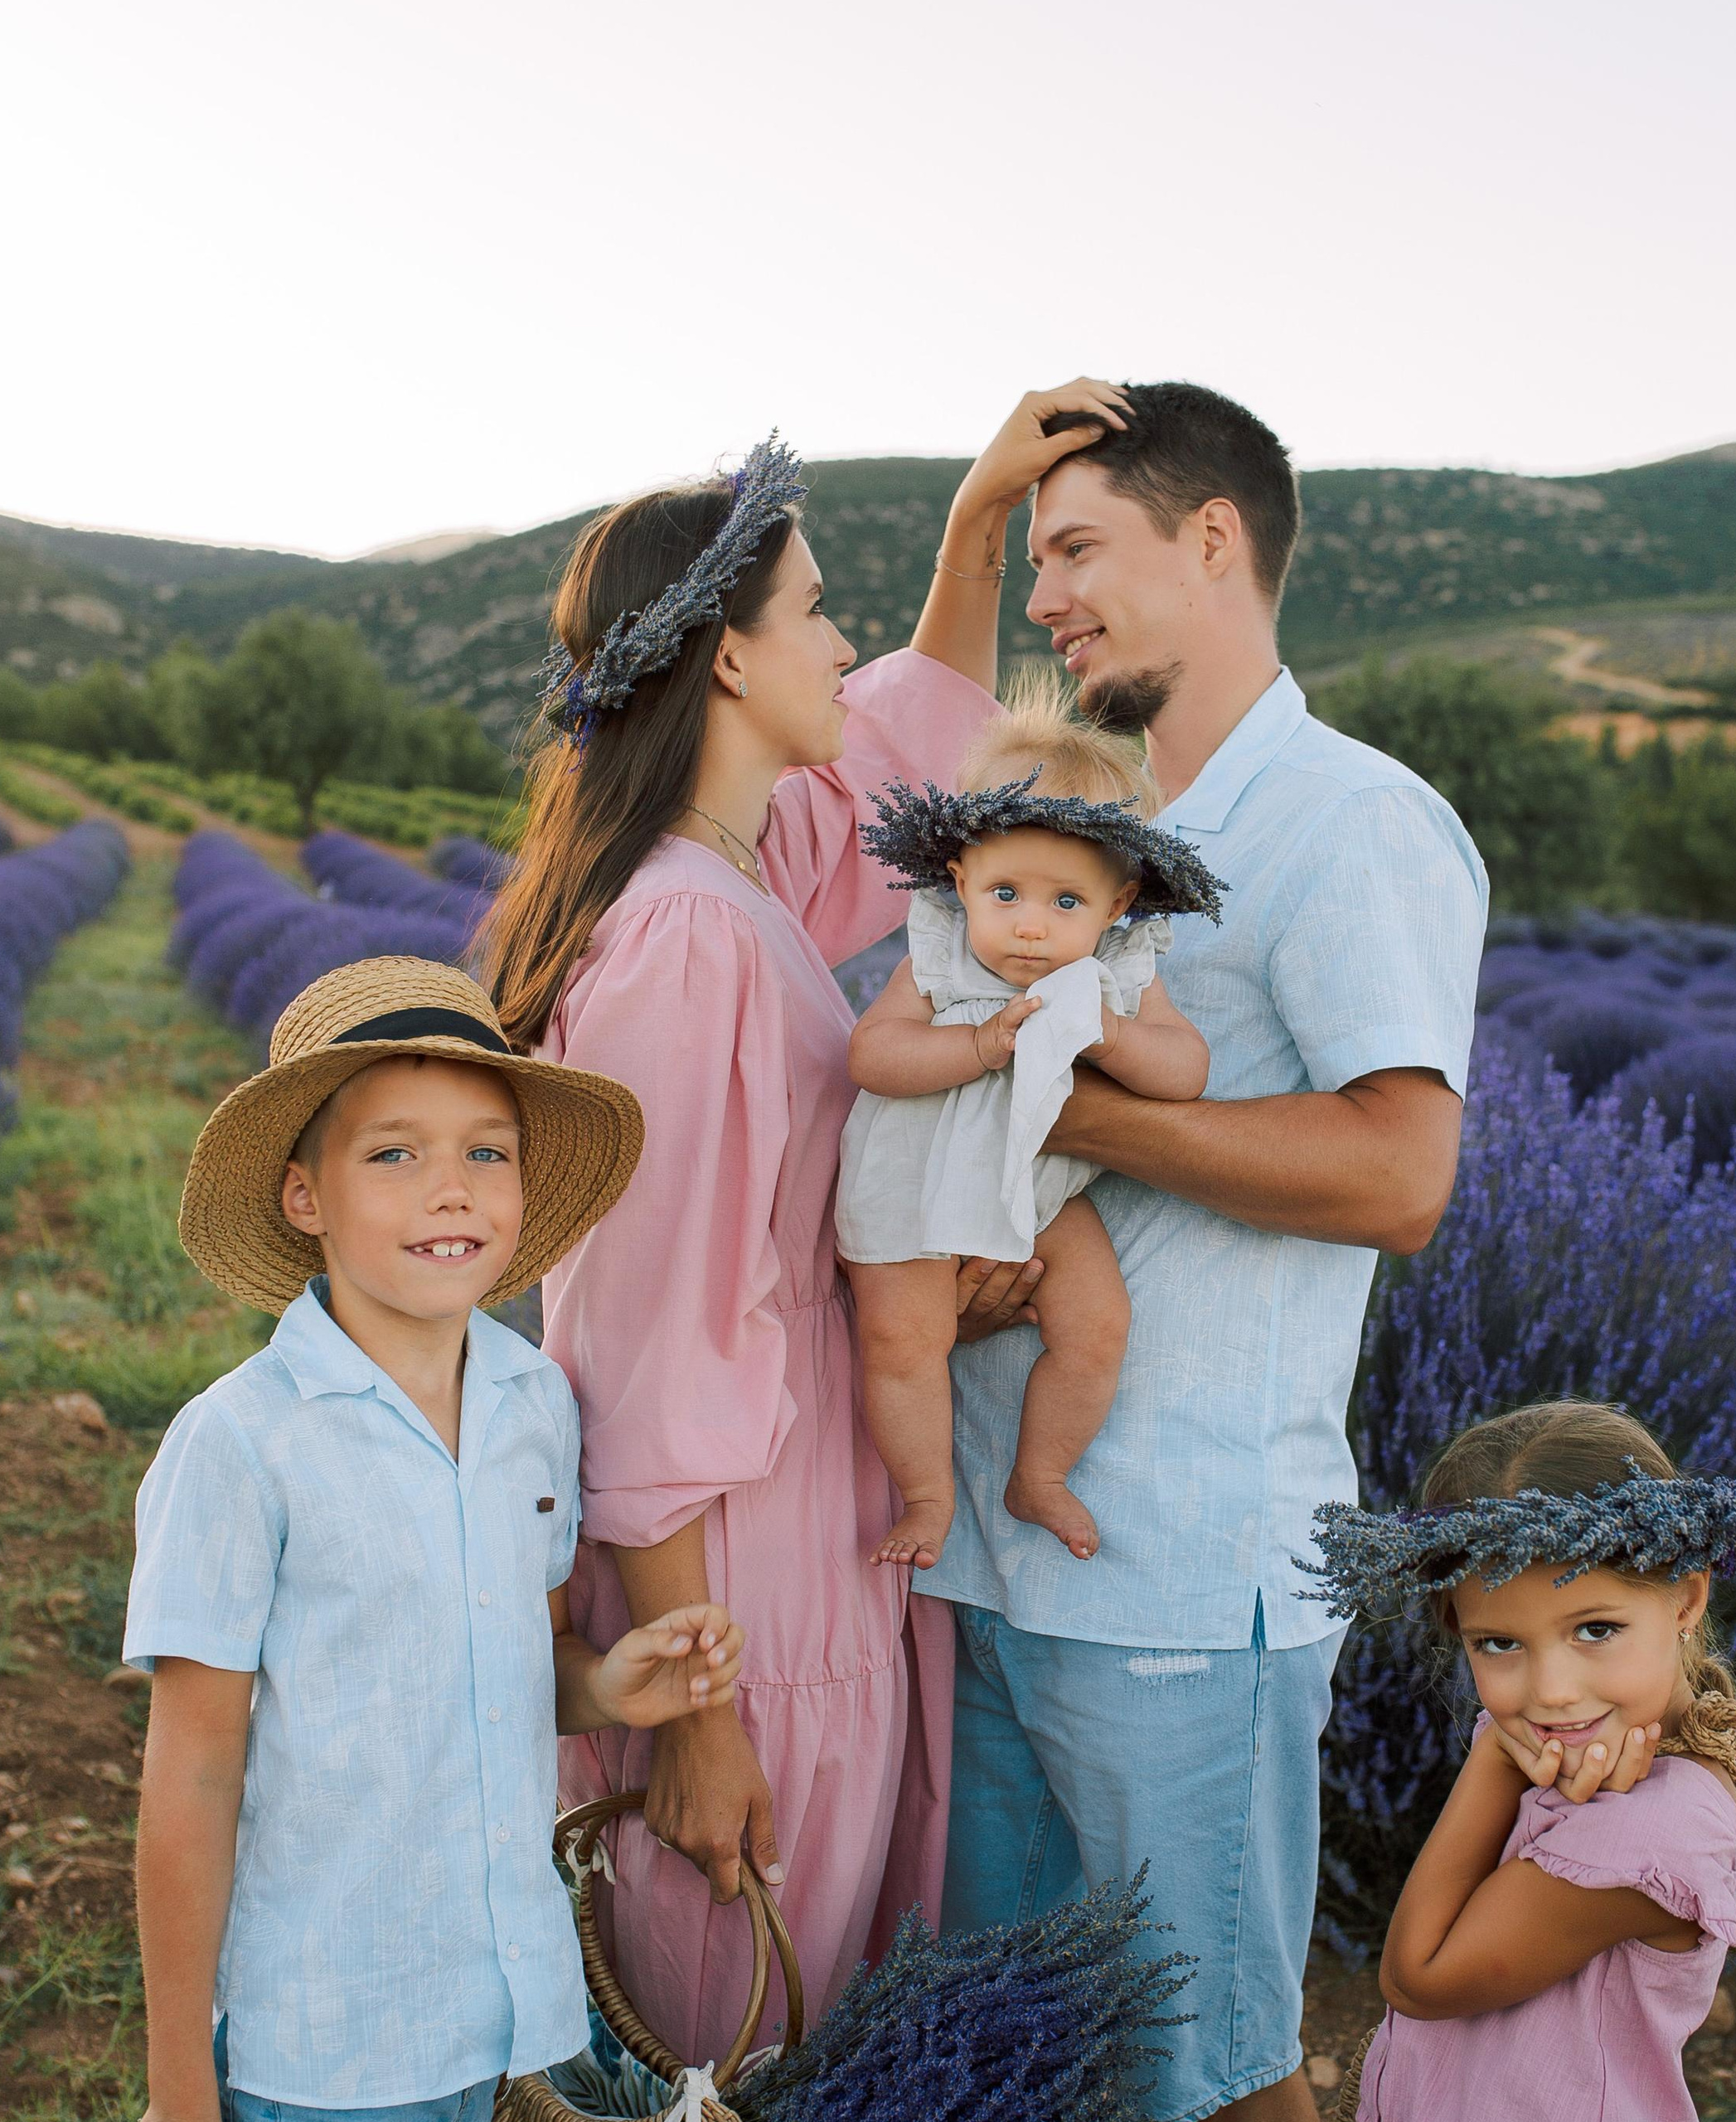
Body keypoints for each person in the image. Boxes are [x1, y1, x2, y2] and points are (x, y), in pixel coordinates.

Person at [475, 385, 1132, 2066]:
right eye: (814, 611)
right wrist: (696, 1713)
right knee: (731, 2028)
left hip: (801, 1538)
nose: (841, 646)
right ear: (725, 661)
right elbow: (639, 1336)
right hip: (739, 1586)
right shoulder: (690, 939)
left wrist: (977, 522)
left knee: (794, 2012)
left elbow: (914, 735)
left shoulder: (743, 871)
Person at [925, 380, 1491, 2122]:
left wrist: (1077, 1124)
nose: (1048, 598)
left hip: (1176, 1574)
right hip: (984, 1548)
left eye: (1077, 547)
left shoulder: (1349, 821)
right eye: (1033, 561)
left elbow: (1401, 1170)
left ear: (1215, 540)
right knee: (1010, 2050)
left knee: (1208, 2067)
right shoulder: (1071, 823)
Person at [129, 958, 746, 2122]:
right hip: (325, 2038)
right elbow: (193, 1771)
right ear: (304, 1197)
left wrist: (613, 1686)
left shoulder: (535, 1405)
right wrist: (175, 2089)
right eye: (394, 1154)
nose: (452, 1189)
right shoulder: (243, 1445)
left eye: (487, 1151)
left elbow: (524, 1656)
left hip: (495, 2009)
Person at [1302, 1399, 1736, 2122]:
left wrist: (1492, 1758)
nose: (1552, 1692)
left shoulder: (1651, 1827)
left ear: (1685, 1598)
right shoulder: (1595, 1757)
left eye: (1595, 1629)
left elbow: (1417, 1979)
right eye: (1498, 1643)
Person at [837, 686, 1217, 1566]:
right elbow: (873, 1054)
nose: (1032, 929)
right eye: (1005, 891)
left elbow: (1186, 1070)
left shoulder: (1119, 967)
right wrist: (976, 1045)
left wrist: (1113, 1036)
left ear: (1118, 904)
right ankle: (926, 1495)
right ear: (961, 876)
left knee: (1096, 1325)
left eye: (1065, 903)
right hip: (918, 1171)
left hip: (1043, 1179)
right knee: (903, 1340)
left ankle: (1039, 1474)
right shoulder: (941, 947)